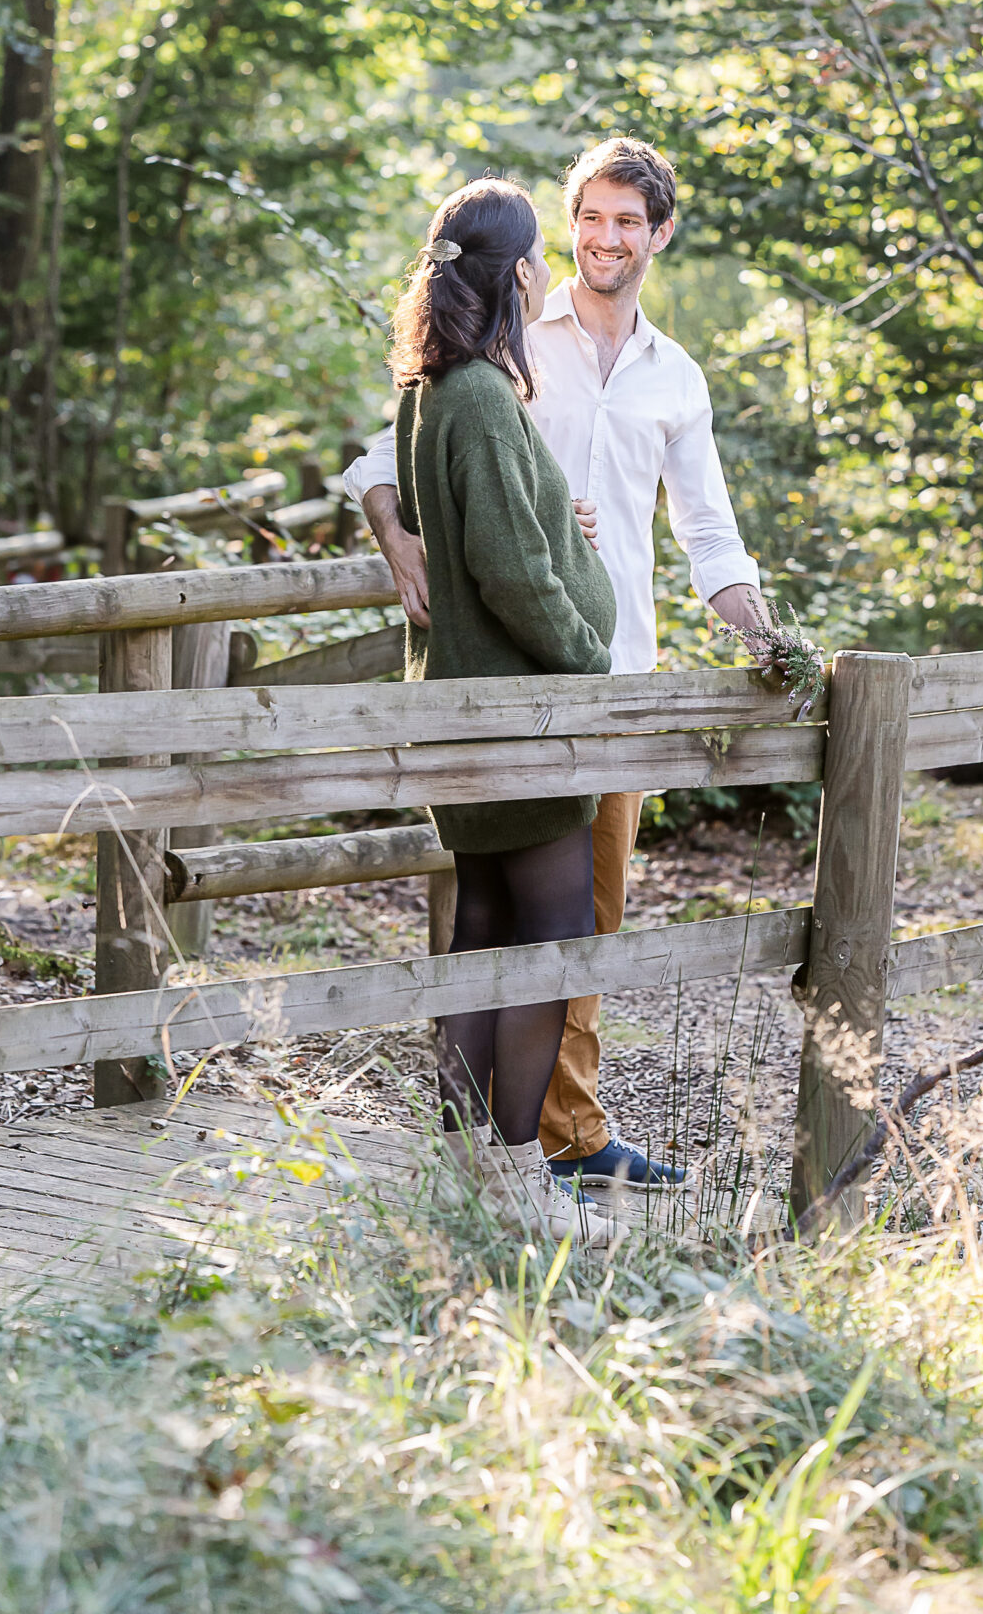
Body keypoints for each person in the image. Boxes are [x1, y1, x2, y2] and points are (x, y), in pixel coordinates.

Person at [345, 137, 767, 1198]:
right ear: (563, 232)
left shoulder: (677, 376)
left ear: (660, 234)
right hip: (527, 674)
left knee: (585, 912)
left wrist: (767, 638)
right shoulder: (502, 339)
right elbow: (389, 456)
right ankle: (552, 1146)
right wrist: (402, 540)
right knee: (542, 918)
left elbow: (708, 535)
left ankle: (542, 1135)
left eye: (630, 221)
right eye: (592, 218)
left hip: (615, 680)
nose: (607, 238)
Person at [388, 174, 624, 1249]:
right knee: (555, 938)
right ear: (516, 272)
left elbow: (499, 521)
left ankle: (460, 1169)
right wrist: (589, 659)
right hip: (521, 720)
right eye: (540, 254)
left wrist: (549, 512)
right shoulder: (479, 396)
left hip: (466, 714)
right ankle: (522, 1177)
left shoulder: (433, 389)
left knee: (483, 929)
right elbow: (508, 569)